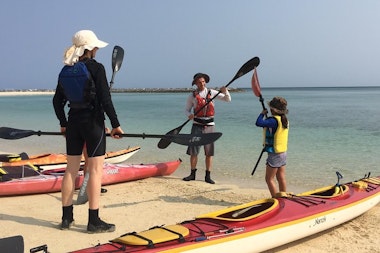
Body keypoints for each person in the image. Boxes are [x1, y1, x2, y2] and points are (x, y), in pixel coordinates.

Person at [53, 30, 124, 233]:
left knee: (70, 170)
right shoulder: (97, 68)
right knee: (94, 172)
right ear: (91, 48)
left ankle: (66, 218)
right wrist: (116, 125)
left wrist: (64, 123)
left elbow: (57, 101)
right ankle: (93, 221)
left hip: (74, 123)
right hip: (93, 124)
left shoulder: (67, 68)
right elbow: (105, 100)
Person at [183, 73, 231, 184]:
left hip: (210, 126)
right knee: (194, 151)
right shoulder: (192, 96)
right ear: (195, 83)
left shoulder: (212, 93)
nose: (202, 84)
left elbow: (228, 100)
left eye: (203, 82)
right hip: (197, 125)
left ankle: (207, 176)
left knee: (209, 152)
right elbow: (186, 110)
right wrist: (189, 115)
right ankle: (192, 174)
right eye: (199, 82)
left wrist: (225, 91)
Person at [255, 97, 289, 197]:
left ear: (273, 109)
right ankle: (284, 196)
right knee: (281, 177)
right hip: (283, 152)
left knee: (269, 179)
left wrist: (262, 113)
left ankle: (276, 199)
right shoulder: (284, 120)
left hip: (275, 154)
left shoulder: (273, 121)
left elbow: (258, 123)